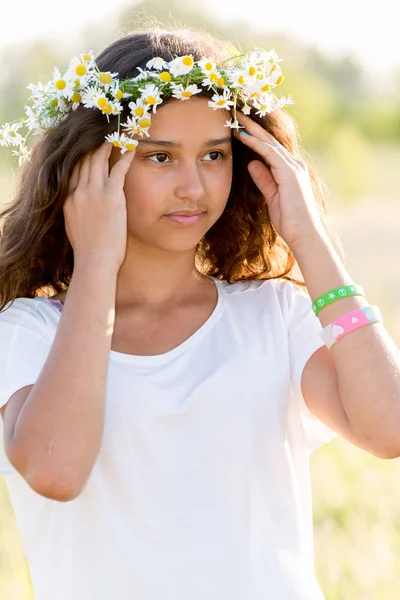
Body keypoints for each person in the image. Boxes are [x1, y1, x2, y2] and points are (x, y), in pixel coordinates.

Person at [0, 26, 399, 600]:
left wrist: (311, 240)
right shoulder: (29, 333)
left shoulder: (276, 316)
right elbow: (55, 472)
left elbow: (390, 429)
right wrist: (94, 264)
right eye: (159, 156)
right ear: (94, 169)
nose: (193, 186)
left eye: (215, 155)